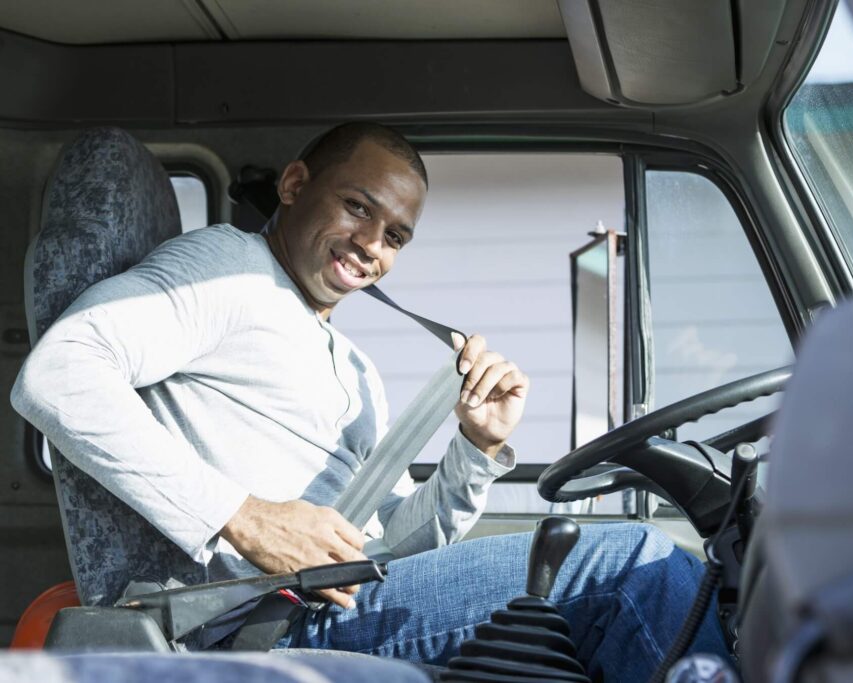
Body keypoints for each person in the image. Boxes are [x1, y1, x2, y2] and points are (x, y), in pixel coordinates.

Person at [11, 122, 728, 680]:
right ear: (295, 184)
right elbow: (58, 375)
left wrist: (473, 450)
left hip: (335, 600)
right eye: (357, 207)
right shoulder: (225, 270)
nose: (371, 246)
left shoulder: (353, 367)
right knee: (627, 565)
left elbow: (395, 543)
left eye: (395, 236)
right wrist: (245, 516)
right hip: (261, 622)